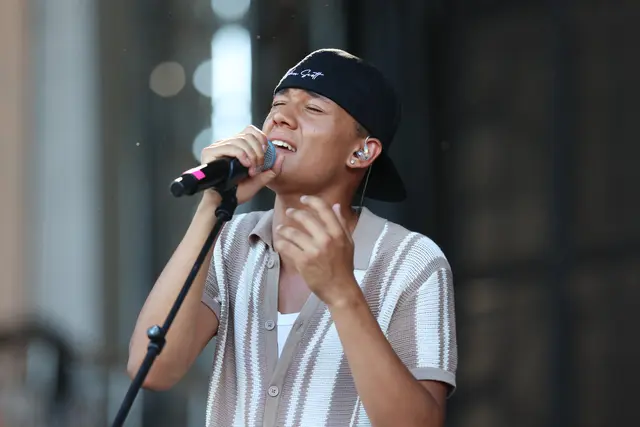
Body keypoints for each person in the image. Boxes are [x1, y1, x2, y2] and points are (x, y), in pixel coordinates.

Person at [128, 48, 458, 427]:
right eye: (278, 104)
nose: (281, 118)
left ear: (362, 151)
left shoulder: (411, 261)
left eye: (313, 108)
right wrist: (211, 208)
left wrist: (342, 294)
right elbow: (152, 370)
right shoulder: (233, 242)